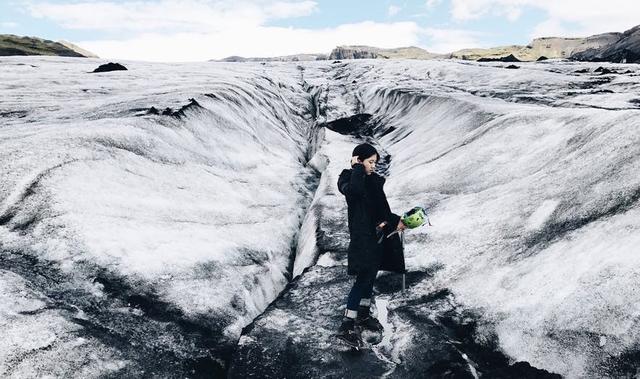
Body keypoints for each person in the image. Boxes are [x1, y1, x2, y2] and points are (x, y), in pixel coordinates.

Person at [335, 143, 407, 348]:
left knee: (370, 276)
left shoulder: (374, 182)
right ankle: (346, 325)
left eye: (375, 162)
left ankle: (364, 315)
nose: (374, 166)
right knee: (362, 279)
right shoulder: (347, 179)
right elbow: (355, 191)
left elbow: (382, 210)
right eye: (370, 162)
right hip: (362, 239)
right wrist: (357, 168)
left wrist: (398, 221)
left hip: (376, 237)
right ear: (358, 160)